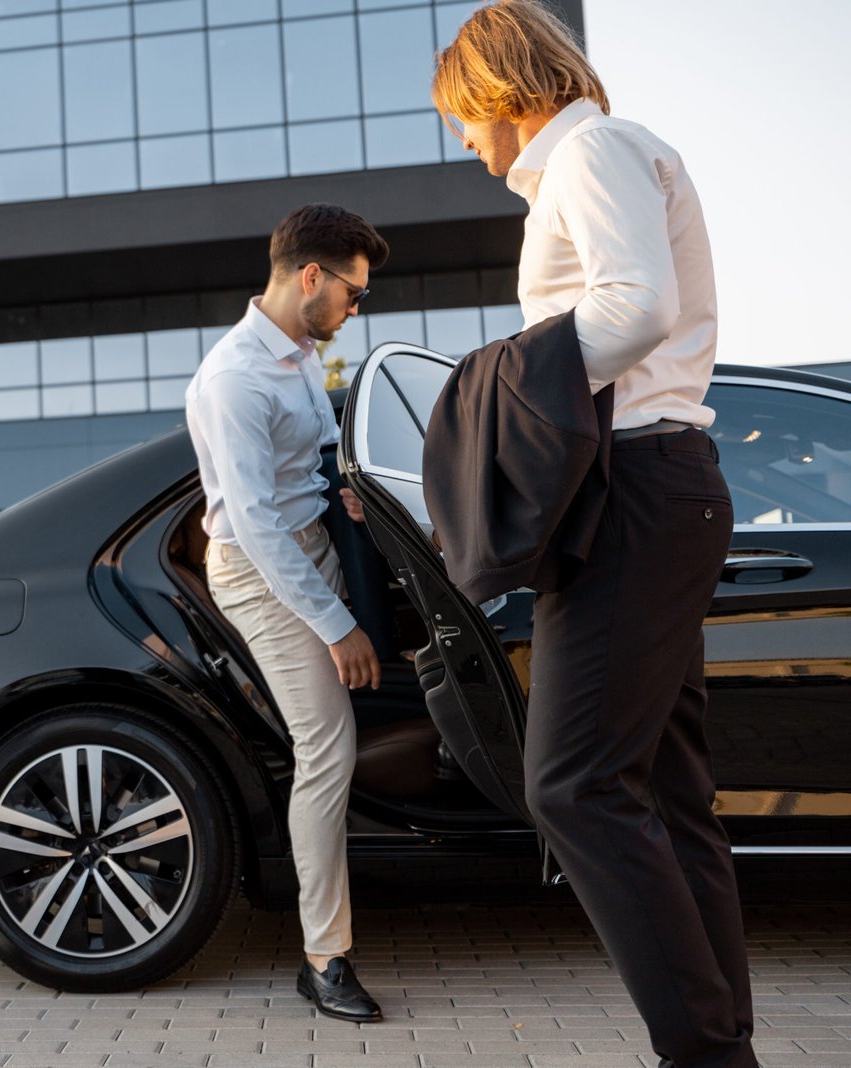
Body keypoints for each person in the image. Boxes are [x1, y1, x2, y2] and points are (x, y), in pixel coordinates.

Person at [431, 3, 755, 1066]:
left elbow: (636, 306)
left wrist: (508, 379)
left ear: (501, 92)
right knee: (664, 791)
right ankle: (722, 1046)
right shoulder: (613, 154)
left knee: (569, 785)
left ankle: (702, 1052)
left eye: (466, 123)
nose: (471, 151)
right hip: (659, 487)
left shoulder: (591, 150)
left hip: (634, 490)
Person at [184, 203, 389, 1023]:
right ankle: (323, 958)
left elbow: (304, 464)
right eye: (353, 293)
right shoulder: (233, 378)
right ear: (312, 275)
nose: (353, 309)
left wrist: (348, 491)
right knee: (327, 745)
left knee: (352, 719)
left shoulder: (302, 352)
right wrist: (337, 627)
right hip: (259, 571)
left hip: (313, 546)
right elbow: (256, 523)